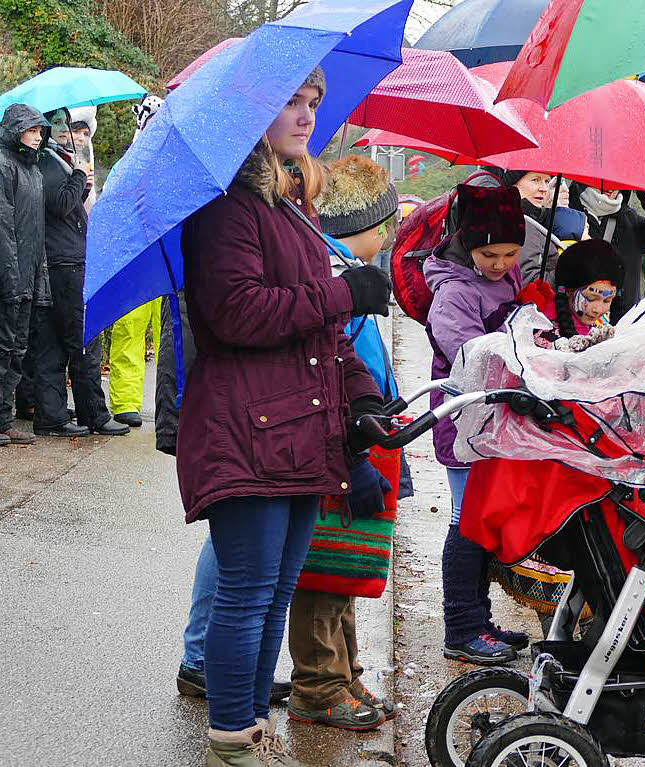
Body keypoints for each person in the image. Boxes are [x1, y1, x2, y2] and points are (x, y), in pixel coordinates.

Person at [175, 68, 392, 765]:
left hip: (302, 430)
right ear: (252, 112)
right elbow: (235, 312)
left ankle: (246, 732)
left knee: (276, 593)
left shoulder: (292, 209)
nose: (305, 116)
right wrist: (343, 295)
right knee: (246, 593)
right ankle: (232, 742)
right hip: (244, 428)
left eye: (311, 103)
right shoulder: (227, 208)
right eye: (289, 102)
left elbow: (323, 336)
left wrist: (362, 397)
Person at [285, 153, 400, 731]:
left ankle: (343, 671)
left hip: (359, 436)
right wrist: (354, 453)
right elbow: (332, 367)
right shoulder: (340, 282)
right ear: (368, 228)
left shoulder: (348, 274)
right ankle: (318, 683)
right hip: (338, 444)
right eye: (384, 225)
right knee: (322, 571)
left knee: (345, 568)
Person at [425, 184, 529, 665]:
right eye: (489, 253)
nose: (500, 263)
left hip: (497, 419)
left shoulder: (505, 281)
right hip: (464, 420)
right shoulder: (452, 292)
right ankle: (461, 626)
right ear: (466, 243)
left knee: (483, 520)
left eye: (511, 253)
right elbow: (469, 358)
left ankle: (480, 620)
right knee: (464, 521)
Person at [29, 107, 126, 438]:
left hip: (57, 257)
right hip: (65, 261)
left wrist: (79, 185)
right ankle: (93, 414)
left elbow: (62, 206)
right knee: (83, 338)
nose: (71, 133)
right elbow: (58, 204)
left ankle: (52, 415)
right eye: (61, 125)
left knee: (53, 344)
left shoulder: (49, 160)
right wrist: (76, 178)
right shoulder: (47, 162)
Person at [106, 95, 167, 429]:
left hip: (166, 259)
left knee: (170, 336)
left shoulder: (174, 166)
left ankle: (171, 402)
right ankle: (125, 401)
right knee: (129, 327)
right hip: (133, 258)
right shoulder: (126, 167)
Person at [0, 103, 51, 448]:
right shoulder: (4, 166)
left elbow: (37, 231)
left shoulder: (33, 171)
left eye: (39, 132)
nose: (36, 138)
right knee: (3, 349)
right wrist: (11, 277)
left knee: (17, 349)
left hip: (27, 274)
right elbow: (3, 227)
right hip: (9, 276)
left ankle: (4, 419)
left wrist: (38, 280)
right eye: (31, 131)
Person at [568, 181, 645, 319]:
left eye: (615, 181)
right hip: (572, 323)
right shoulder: (567, 215)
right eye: (602, 180)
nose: (610, 187)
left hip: (621, 325)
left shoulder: (629, 219)